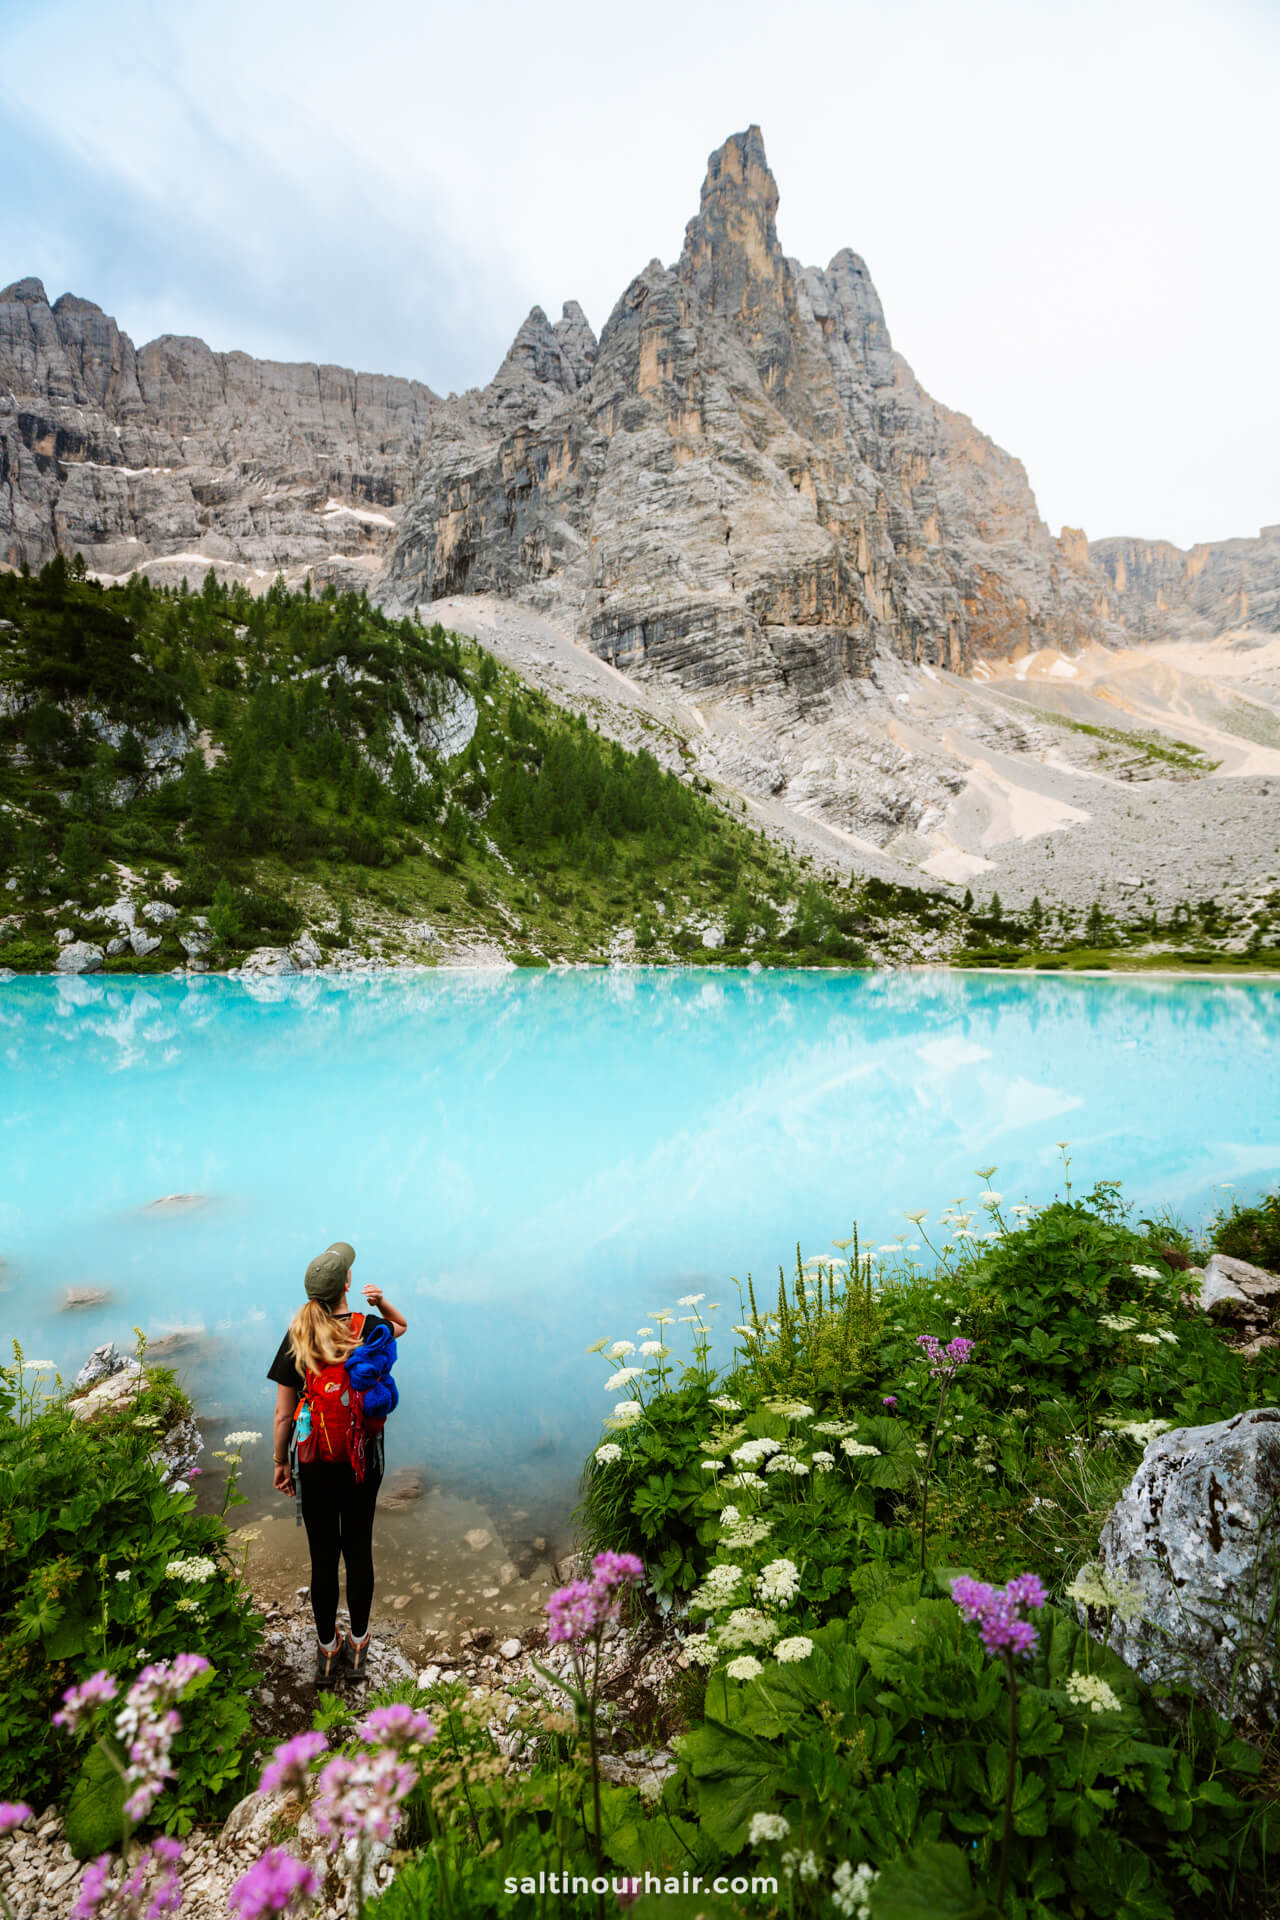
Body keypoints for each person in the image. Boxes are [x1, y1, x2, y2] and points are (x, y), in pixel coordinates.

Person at [268, 1240, 408, 1686]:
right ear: (347, 1282)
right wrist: (381, 1300)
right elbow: (401, 1329)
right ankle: (361, 1644)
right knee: (358, 1548)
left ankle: (328, 1652)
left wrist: (280, 1462)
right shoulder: (369, 1328)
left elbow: (283, 1414)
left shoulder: (300, 1335)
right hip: (363, 1458)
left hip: (314, 1458)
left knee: (323, 1556)